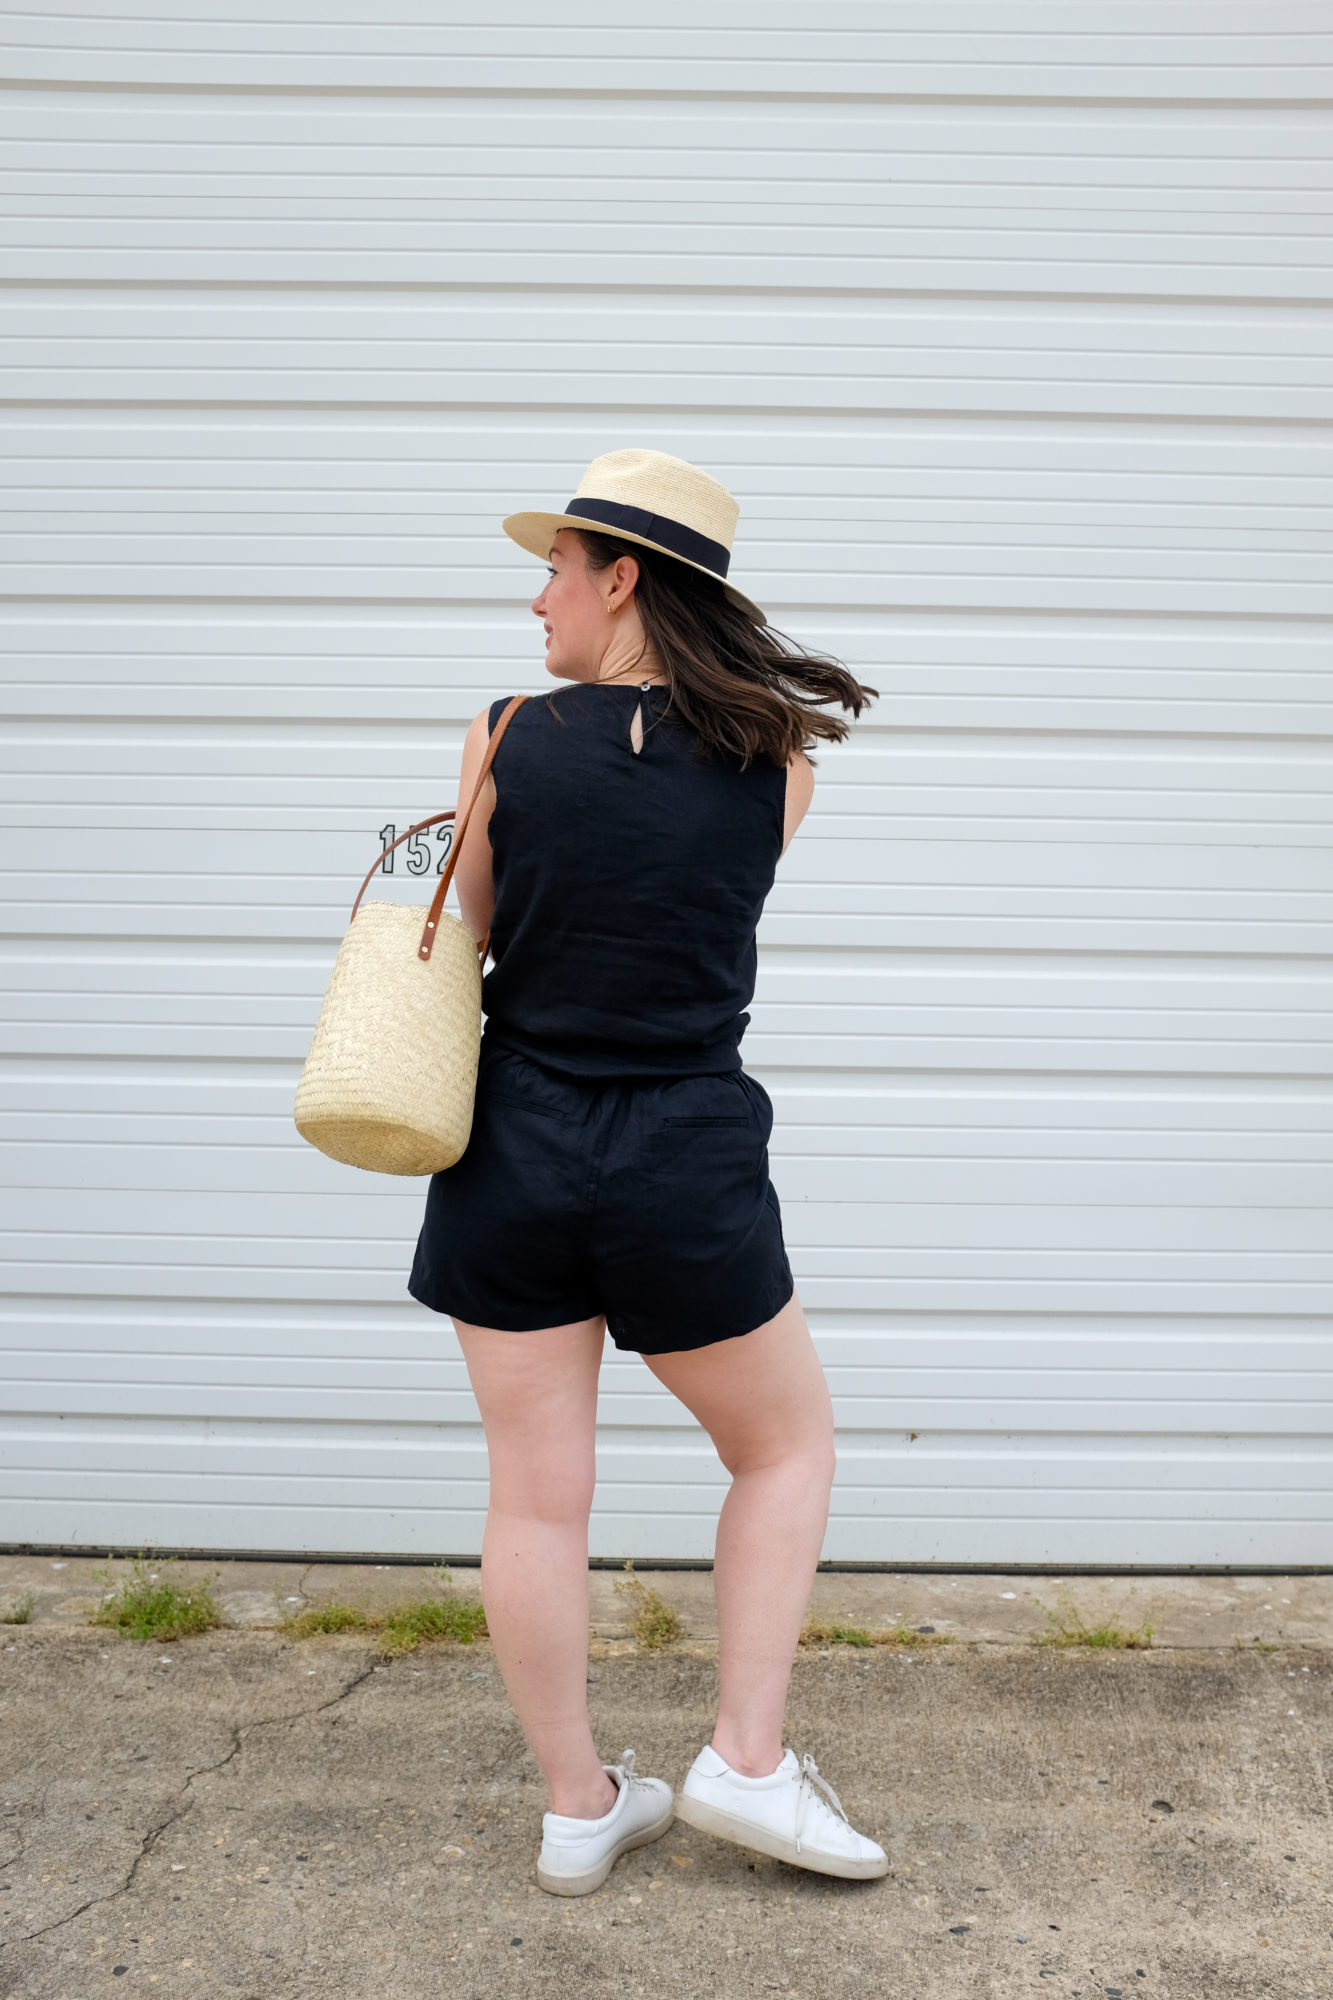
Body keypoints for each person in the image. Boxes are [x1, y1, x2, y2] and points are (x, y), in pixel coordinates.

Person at [407, 448, 886, 1896]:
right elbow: (695, 915)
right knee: (782, 1447)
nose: (534, 595)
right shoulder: (778, 759)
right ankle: (746, 1762)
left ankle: (579, 1806)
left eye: (552, 566)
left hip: (517, 1148)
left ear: (621, 577)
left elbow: (471, 934)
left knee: (537, 1499)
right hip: (681, 1149)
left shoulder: (504, 732)